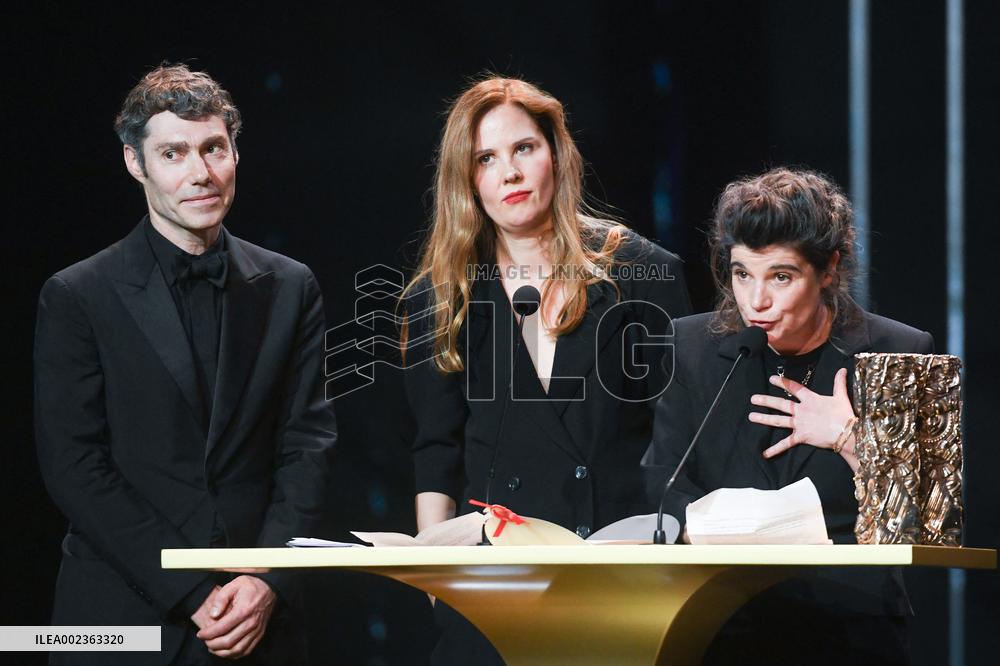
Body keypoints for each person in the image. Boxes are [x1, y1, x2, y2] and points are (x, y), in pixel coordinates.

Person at [33, 64, 336, 665]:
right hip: (119, 620)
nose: (201, 173)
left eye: (213, 149)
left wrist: (267, 579)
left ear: (234, 153)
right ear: (134, 163)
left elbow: (308, 446)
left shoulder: (290, 285)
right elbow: (74, 466)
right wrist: (193, 591)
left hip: (258, 620)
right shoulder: (76, 295)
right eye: (173, 153)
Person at [402, 76, 692, 664]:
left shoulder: (641, 271)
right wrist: (440, 591)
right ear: (467, 180)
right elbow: (436, 450)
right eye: (486, 158)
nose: (508, 172)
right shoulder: (442, 296)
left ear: (556, 154)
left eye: (523, 149)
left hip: (621, 583)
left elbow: (683, 436)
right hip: (493, 591)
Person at [645, 167, 933, 664]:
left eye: (781, 277)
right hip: (721, 624)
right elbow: (664, 486)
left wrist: (847, 434)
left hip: (851, 632)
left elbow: (920, 517)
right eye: (742, 274)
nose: (757, 301)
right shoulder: (691, 347)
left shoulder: (897, 354)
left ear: (828, 270)